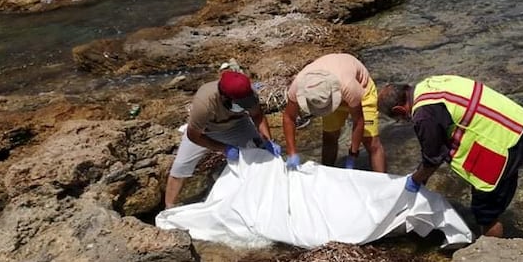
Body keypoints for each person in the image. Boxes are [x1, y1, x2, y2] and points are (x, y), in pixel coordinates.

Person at [377, 75, 523, 238]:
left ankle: (493, 254)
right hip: (513, 128)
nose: (403, 121)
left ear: (400, 110)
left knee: (485, 214)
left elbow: (433, 159)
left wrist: (415, 181)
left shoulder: (423, 115)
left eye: (398, 119)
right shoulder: (429, 84)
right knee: (494, 201)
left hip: (501, 148)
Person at [164, 70, 281, 207]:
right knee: (181, 167)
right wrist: (223, 148)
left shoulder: (249, 95)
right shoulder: (205, 103)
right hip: (206, 131)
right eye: (239, 103)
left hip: (237, 125)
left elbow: (257, 116)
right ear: (224, 97)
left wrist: (268, 140)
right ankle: (169, 207)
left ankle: (261, 192)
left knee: (262, 154)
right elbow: (193, 135)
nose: (243, 105)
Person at [282, 53, 386, 172]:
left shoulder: (349, 86)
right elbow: (289, 117)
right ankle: (327, 173)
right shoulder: (299, 86)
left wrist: (353, 154)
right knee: (330, 136)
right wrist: (292, 152)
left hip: (361, 89)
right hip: (333, 89)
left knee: (371, 142)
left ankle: (383, 181)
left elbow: (358, 120)